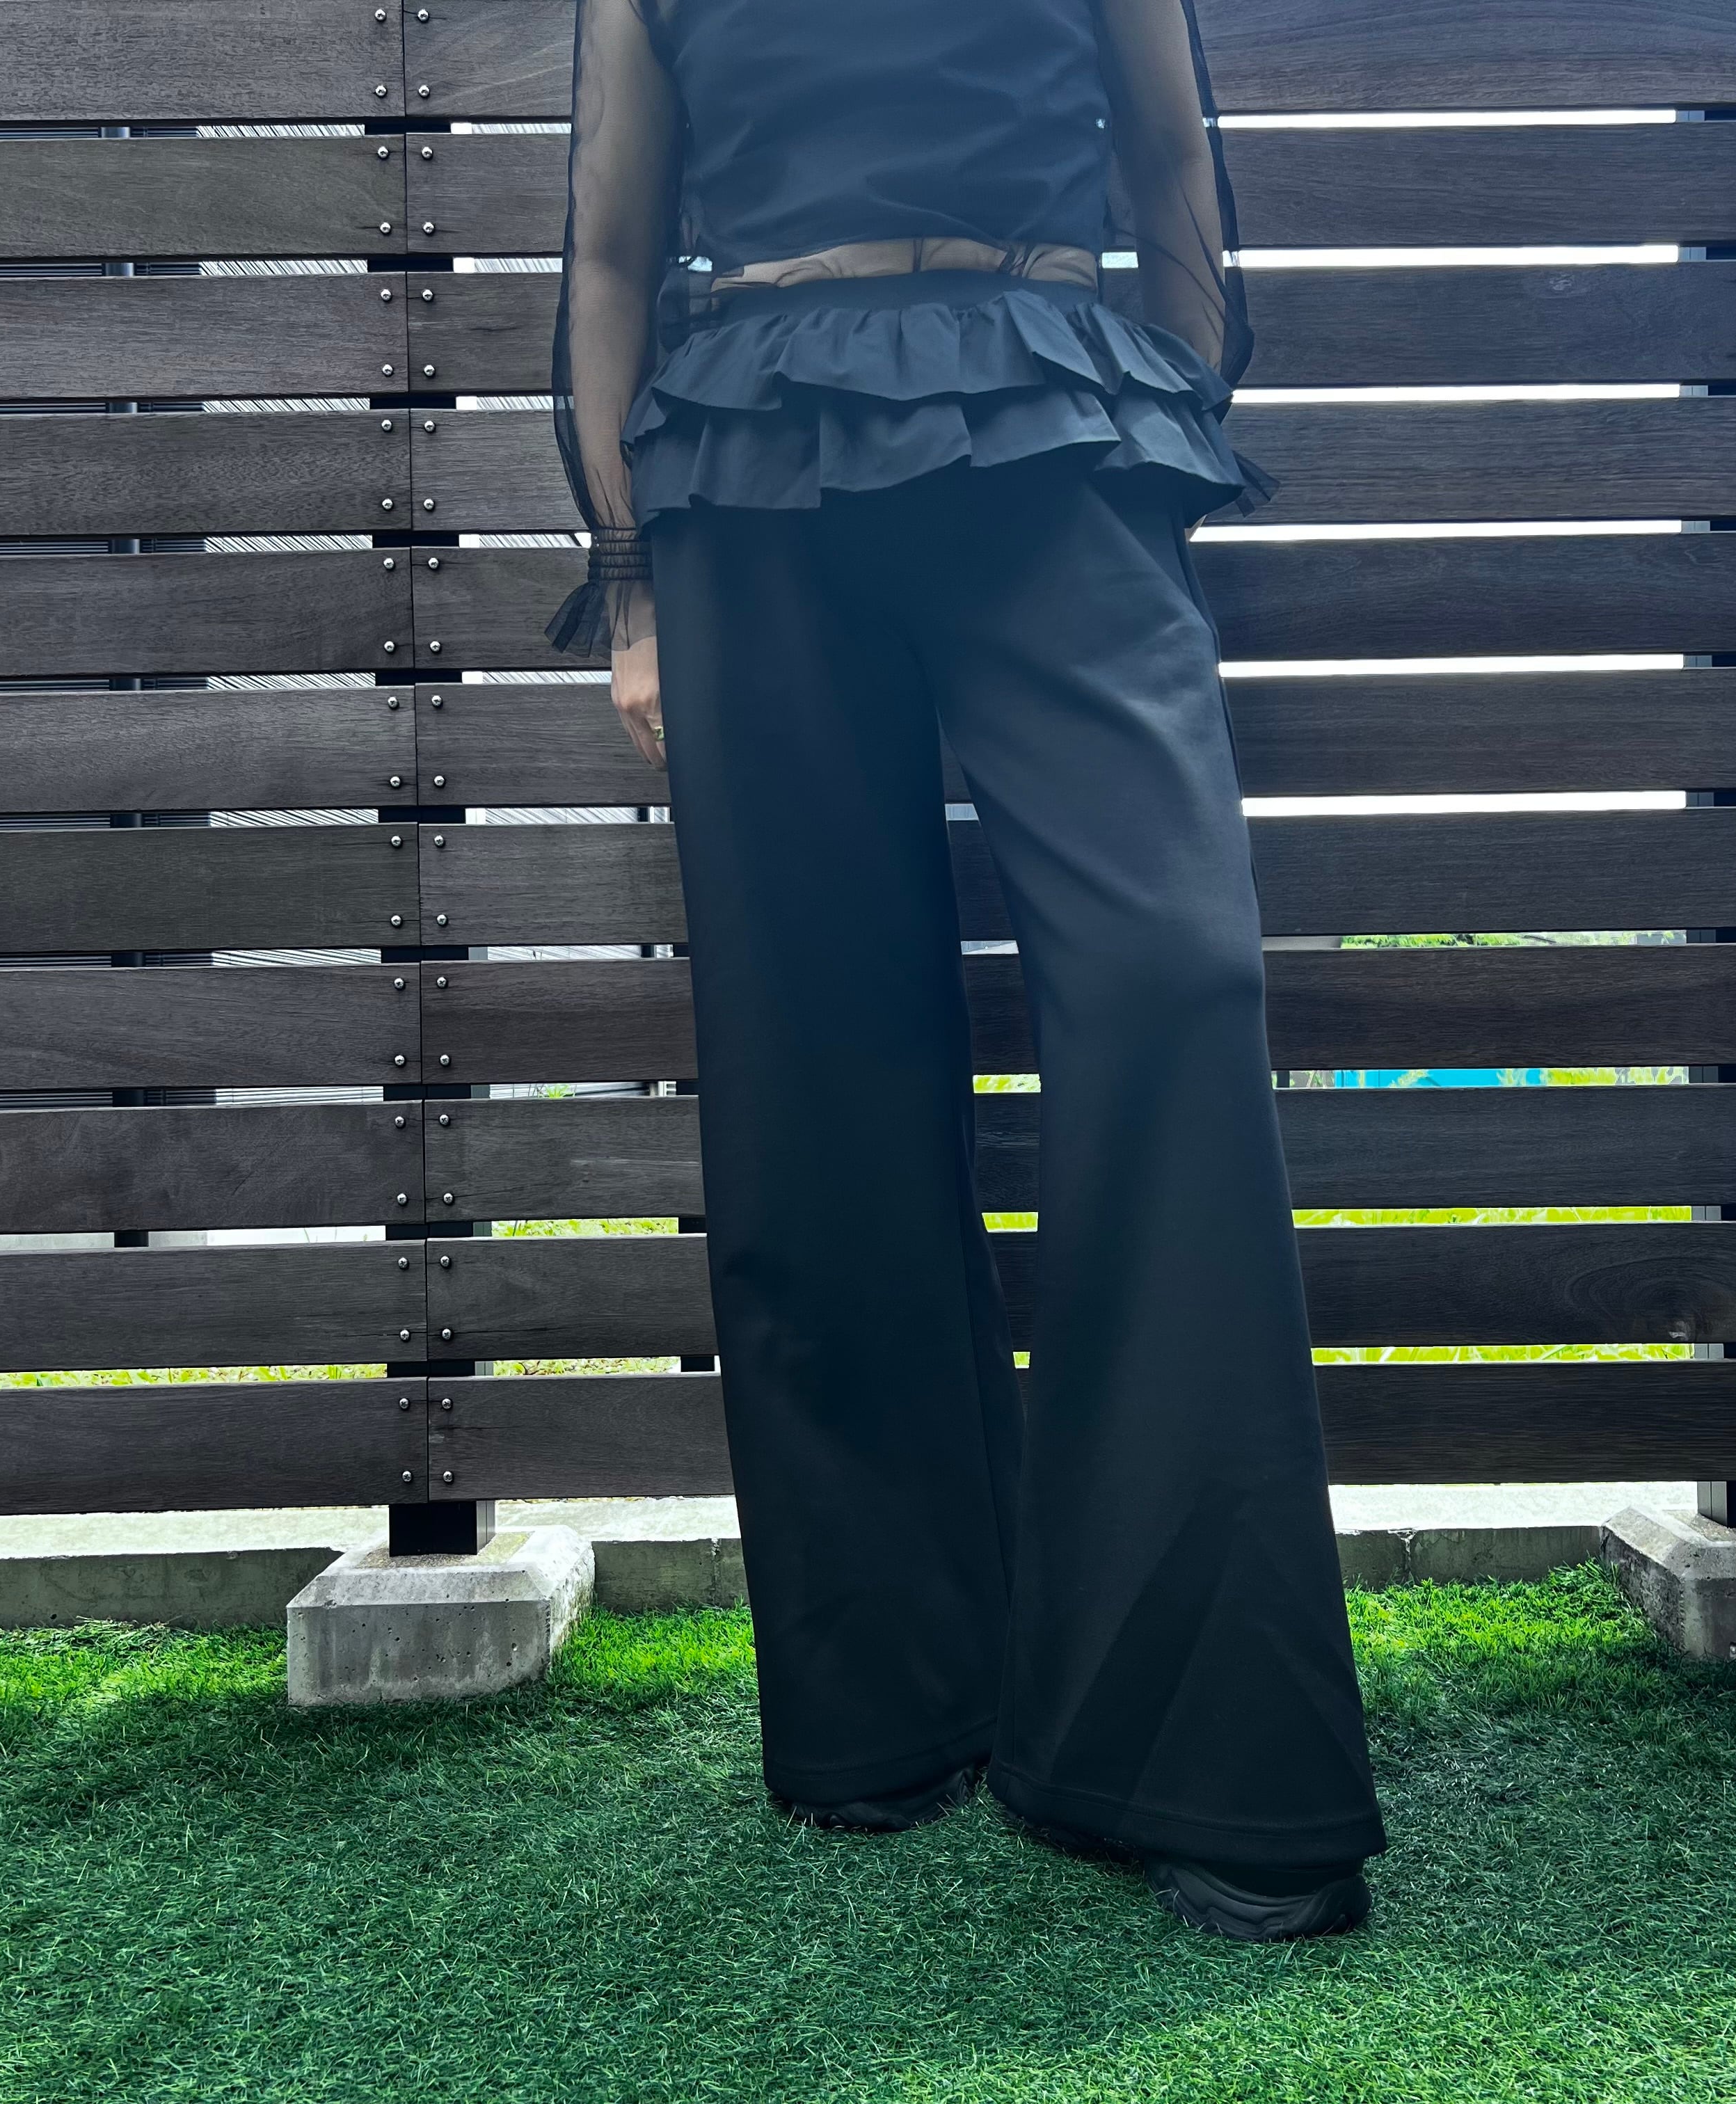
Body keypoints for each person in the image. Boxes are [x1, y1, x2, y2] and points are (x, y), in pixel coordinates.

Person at [547, 0, 1387, 1941]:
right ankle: (894, 1694)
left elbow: (1174, 167)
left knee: (1177, 985)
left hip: (1050, 422)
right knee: (816, 1057)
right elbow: (607, 250)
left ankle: (1201, 1746)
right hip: (753, 466)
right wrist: (634, 581)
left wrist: (1161, 434)